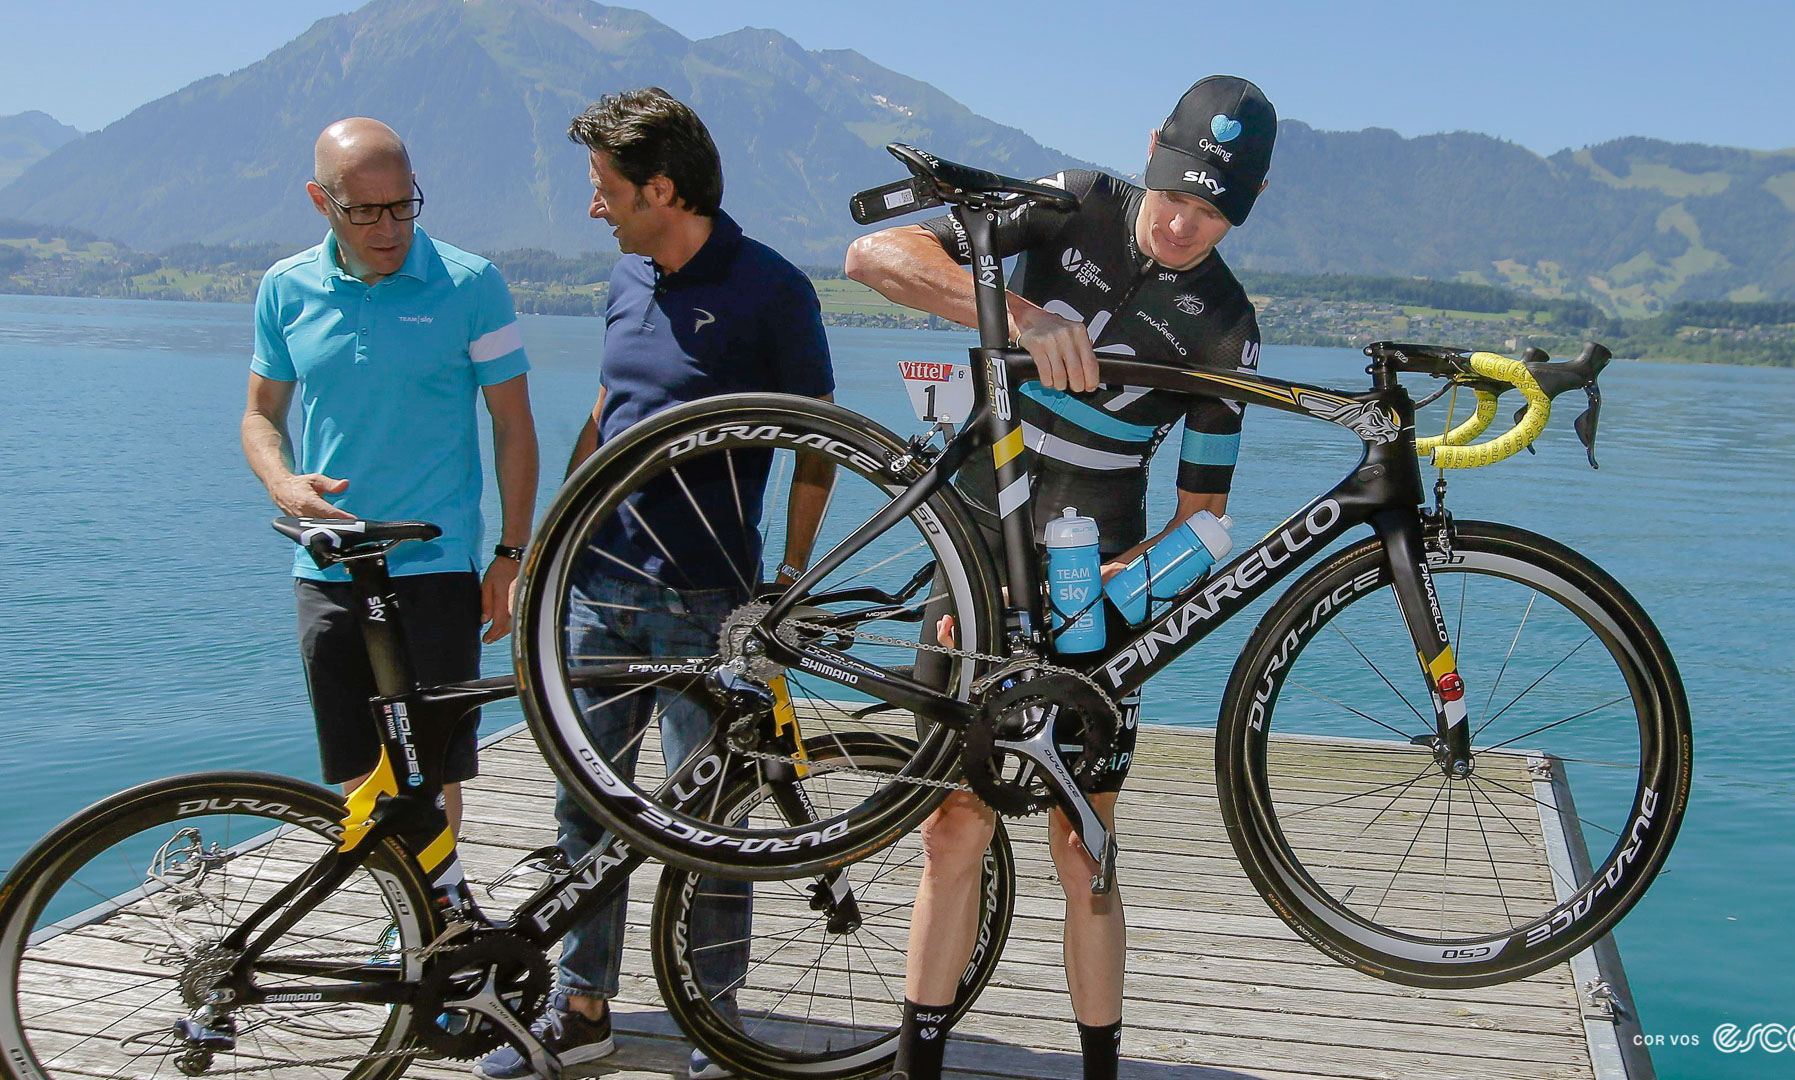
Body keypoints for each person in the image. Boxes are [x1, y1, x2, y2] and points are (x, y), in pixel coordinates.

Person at [843, 75, 1277, 1080]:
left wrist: (1123, 592)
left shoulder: (1226, 323)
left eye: (1213, 213)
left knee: (1087, 852)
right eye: (1175, 193)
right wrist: (1022, 314)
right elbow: (875, 255)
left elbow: (1200, 520)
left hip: (1101, 591)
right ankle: (918, 1067)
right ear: (1152, 151)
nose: (1181, 223)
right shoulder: (1071, 202)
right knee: (953, 831)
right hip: (977, 561)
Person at [475, 88, 835, 1080]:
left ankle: (714, 1023)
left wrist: (793, 573)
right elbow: (608, 412)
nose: (594, 207)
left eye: (605, 189)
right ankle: (580, 1005)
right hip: (598, 589)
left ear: (660, 189)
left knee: (712, 830)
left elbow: (818, 445)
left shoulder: (772, 290)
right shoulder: (627, 279)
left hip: (713, 603)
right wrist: (548, 543)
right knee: (585, 810)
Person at [243, 117, 538, 835]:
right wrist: (282, 484)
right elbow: (259, 417)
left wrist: (509, 554)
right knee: (360, 772)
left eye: (403, 204)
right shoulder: (285, 289)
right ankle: (398, 920)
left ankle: (433, 927)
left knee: (431, 771)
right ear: (322, 202)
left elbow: (514, 426)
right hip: (327, 564)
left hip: (433, 565)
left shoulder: (472, 285)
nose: (389, 226)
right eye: (365, 210)